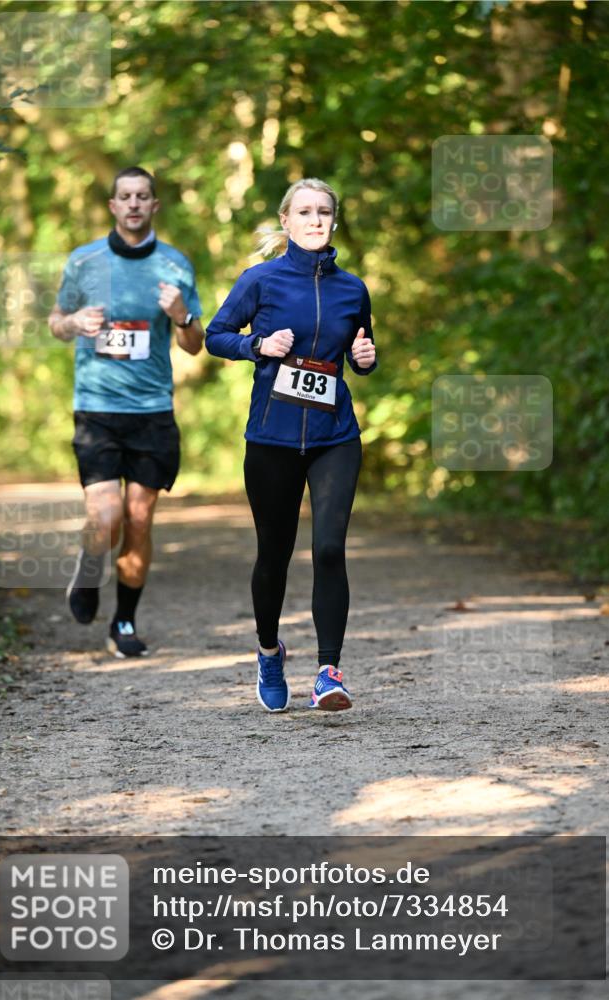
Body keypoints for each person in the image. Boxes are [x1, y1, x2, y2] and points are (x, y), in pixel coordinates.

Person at [206, 178, 376, 712]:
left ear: (334, 220)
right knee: (274, 555)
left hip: (335, 436)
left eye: (324, 211)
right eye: (304, 211)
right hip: (272, 435)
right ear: (286, 221)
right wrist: (257, 344)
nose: (315, 220)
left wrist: (367, 359)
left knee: (328, 548)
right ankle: (268, 651)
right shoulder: (261, 281)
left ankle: (328, 672)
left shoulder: (353, 289)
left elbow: (359, 351)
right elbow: (215, 335)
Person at [48, 166, 204, 657]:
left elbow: (195, 345)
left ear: (154, 206)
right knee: (108, 516)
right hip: (96, 407)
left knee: (139, 519)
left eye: (142, 197)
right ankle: (90, 567)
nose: (134, 204)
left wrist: (182, 316)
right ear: (113, 206)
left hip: (153, 411)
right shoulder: (84, 261)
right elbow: (55, 323)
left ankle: (125, 623)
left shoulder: (176, 265)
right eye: (124, 196)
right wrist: (74, 321)